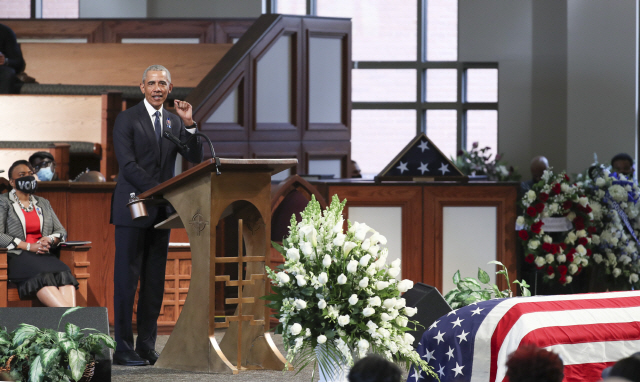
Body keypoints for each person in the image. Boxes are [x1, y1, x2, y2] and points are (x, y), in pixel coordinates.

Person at [110, 64, 203, 366]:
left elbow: (194, 156)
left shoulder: (174, 122)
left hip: (162, 212)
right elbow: (128, 166)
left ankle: (145, 347)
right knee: (127, 281)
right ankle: (122, 347)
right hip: (134, 208)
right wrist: (162, 190)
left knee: (154, 282)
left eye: (162, 83)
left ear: (170, 89)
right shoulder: (127, 119)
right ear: (142, 87)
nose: (157, 88)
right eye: (152, 83)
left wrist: (189, 124)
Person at [0, 160, 77, 307]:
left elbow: (61, 231)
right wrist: (29, 246)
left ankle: (70, 323)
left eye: (30, 174)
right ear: (12, 181)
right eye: (22, 175)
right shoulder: (3, 202)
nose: (28, 178)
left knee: (64, 272)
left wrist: (49, 238)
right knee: (44, 276)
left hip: (44, 255)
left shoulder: (43, 203)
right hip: (17, 255)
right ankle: (72, 323)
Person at [0, 23, 26, 94]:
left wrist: (5, 61)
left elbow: (18, 63)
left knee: (7, 73)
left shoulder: (5, 31)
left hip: (2, 70)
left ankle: (3, 104)